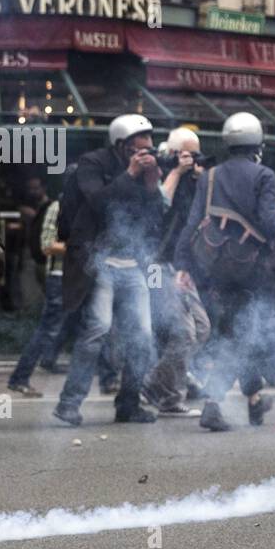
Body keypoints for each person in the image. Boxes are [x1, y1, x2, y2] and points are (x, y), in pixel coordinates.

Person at [52, 114, 163, 426]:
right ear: (121, 145)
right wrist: (130, 174)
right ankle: (69, 404)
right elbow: (99, 202)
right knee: (97, 328)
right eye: (136, 150)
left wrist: (153, 185)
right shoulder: (92, 163)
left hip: (132, 263)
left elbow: (154, 220)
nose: (143, 155)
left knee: (143, 335)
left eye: (147, 150)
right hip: (99, 261)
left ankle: (128, 404)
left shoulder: (145, 171)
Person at [174, 112, 275, 431]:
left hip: (214, 269)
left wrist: (182, 265)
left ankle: (254, 400)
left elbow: (192, 222)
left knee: (237, 332)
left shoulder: (209, 176)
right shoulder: (264, 175)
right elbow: (269, 224)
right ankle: (213, 403)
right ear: (256, 143)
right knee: (239, 337)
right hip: (250, 272)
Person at [143, 127, 209, 416]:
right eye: (186, 154)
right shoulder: (154, 169)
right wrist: (177, 173)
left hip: (182, 266)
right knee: (183, 334)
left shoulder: (195, 179)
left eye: (195, 154)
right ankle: (165, 392)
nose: (192, 160)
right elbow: (157, 205)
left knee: (202, 328)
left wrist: (198, 179)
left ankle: (157, 383)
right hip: (157, 264)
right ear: (172, 152)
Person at [7, 194, 66, 398]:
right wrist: (79, 248)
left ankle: (107, 380)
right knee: (48, 330)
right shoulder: (59, 207)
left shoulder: (90, 204)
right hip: (60, 277)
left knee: (94, 328)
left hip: (80, 279)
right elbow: (47, 245)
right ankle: (20, 377)